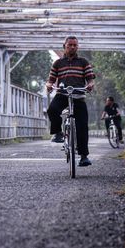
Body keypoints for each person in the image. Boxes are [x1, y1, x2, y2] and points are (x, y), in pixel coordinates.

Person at [46, 36, 95, 167]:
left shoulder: (83, 62)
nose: (72, 47)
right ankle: (58, 133)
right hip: (62, 94)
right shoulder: (57, 63)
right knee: (52, 110)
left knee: (82, 125)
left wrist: (90, 84)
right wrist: (49, 85)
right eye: (70, 45)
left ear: (77, 47)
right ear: (64, 46)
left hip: (78, 95)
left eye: (75, 45)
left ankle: (84, 156)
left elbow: (90, 78)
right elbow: (51, 79)